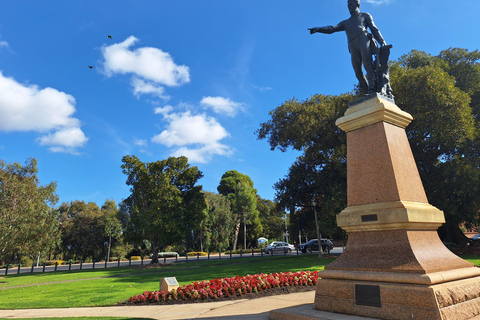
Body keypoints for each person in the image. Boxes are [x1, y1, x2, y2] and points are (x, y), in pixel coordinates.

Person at [309, 0, 390, 96]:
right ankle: (366, 90)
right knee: (357, 71)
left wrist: (382, 42)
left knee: (367, 64)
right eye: (348, 5)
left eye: (351, 4)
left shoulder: (364, 16)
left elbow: (374, 29)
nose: (350, 7)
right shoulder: (346, 22)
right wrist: (318, 29)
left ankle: (372, 89)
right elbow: (332, 28)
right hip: (352, 45)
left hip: (363, 40)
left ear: (357, 5)